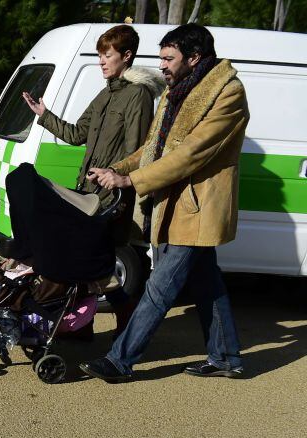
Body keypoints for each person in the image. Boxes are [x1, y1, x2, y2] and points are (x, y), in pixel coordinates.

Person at [81, 24, 248, 382]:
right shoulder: (178, 91)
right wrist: (117, 168)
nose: (162, 66)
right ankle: (226, 358)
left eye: (168, 59)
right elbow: (151, 148)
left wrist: (132, 180)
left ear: (194, 58)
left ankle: (119, 361)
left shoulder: (228, 94)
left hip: (198, 208)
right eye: (161, 58)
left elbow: (191, 154)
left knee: (159, 289)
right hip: (177, 205)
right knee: (208, 285)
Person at [21, 24, 165, 333]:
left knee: (90, 259)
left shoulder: (138, 95)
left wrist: (119, 183)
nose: (102, 61)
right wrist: (43, 114)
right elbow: (76, 135)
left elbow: (138, 151)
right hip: (86, 192)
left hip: (110, 197)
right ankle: (83, 327)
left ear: (126, 56)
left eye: (107, 55)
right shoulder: (104, 94)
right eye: (100, 55)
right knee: (83, 259)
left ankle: (125, 313)